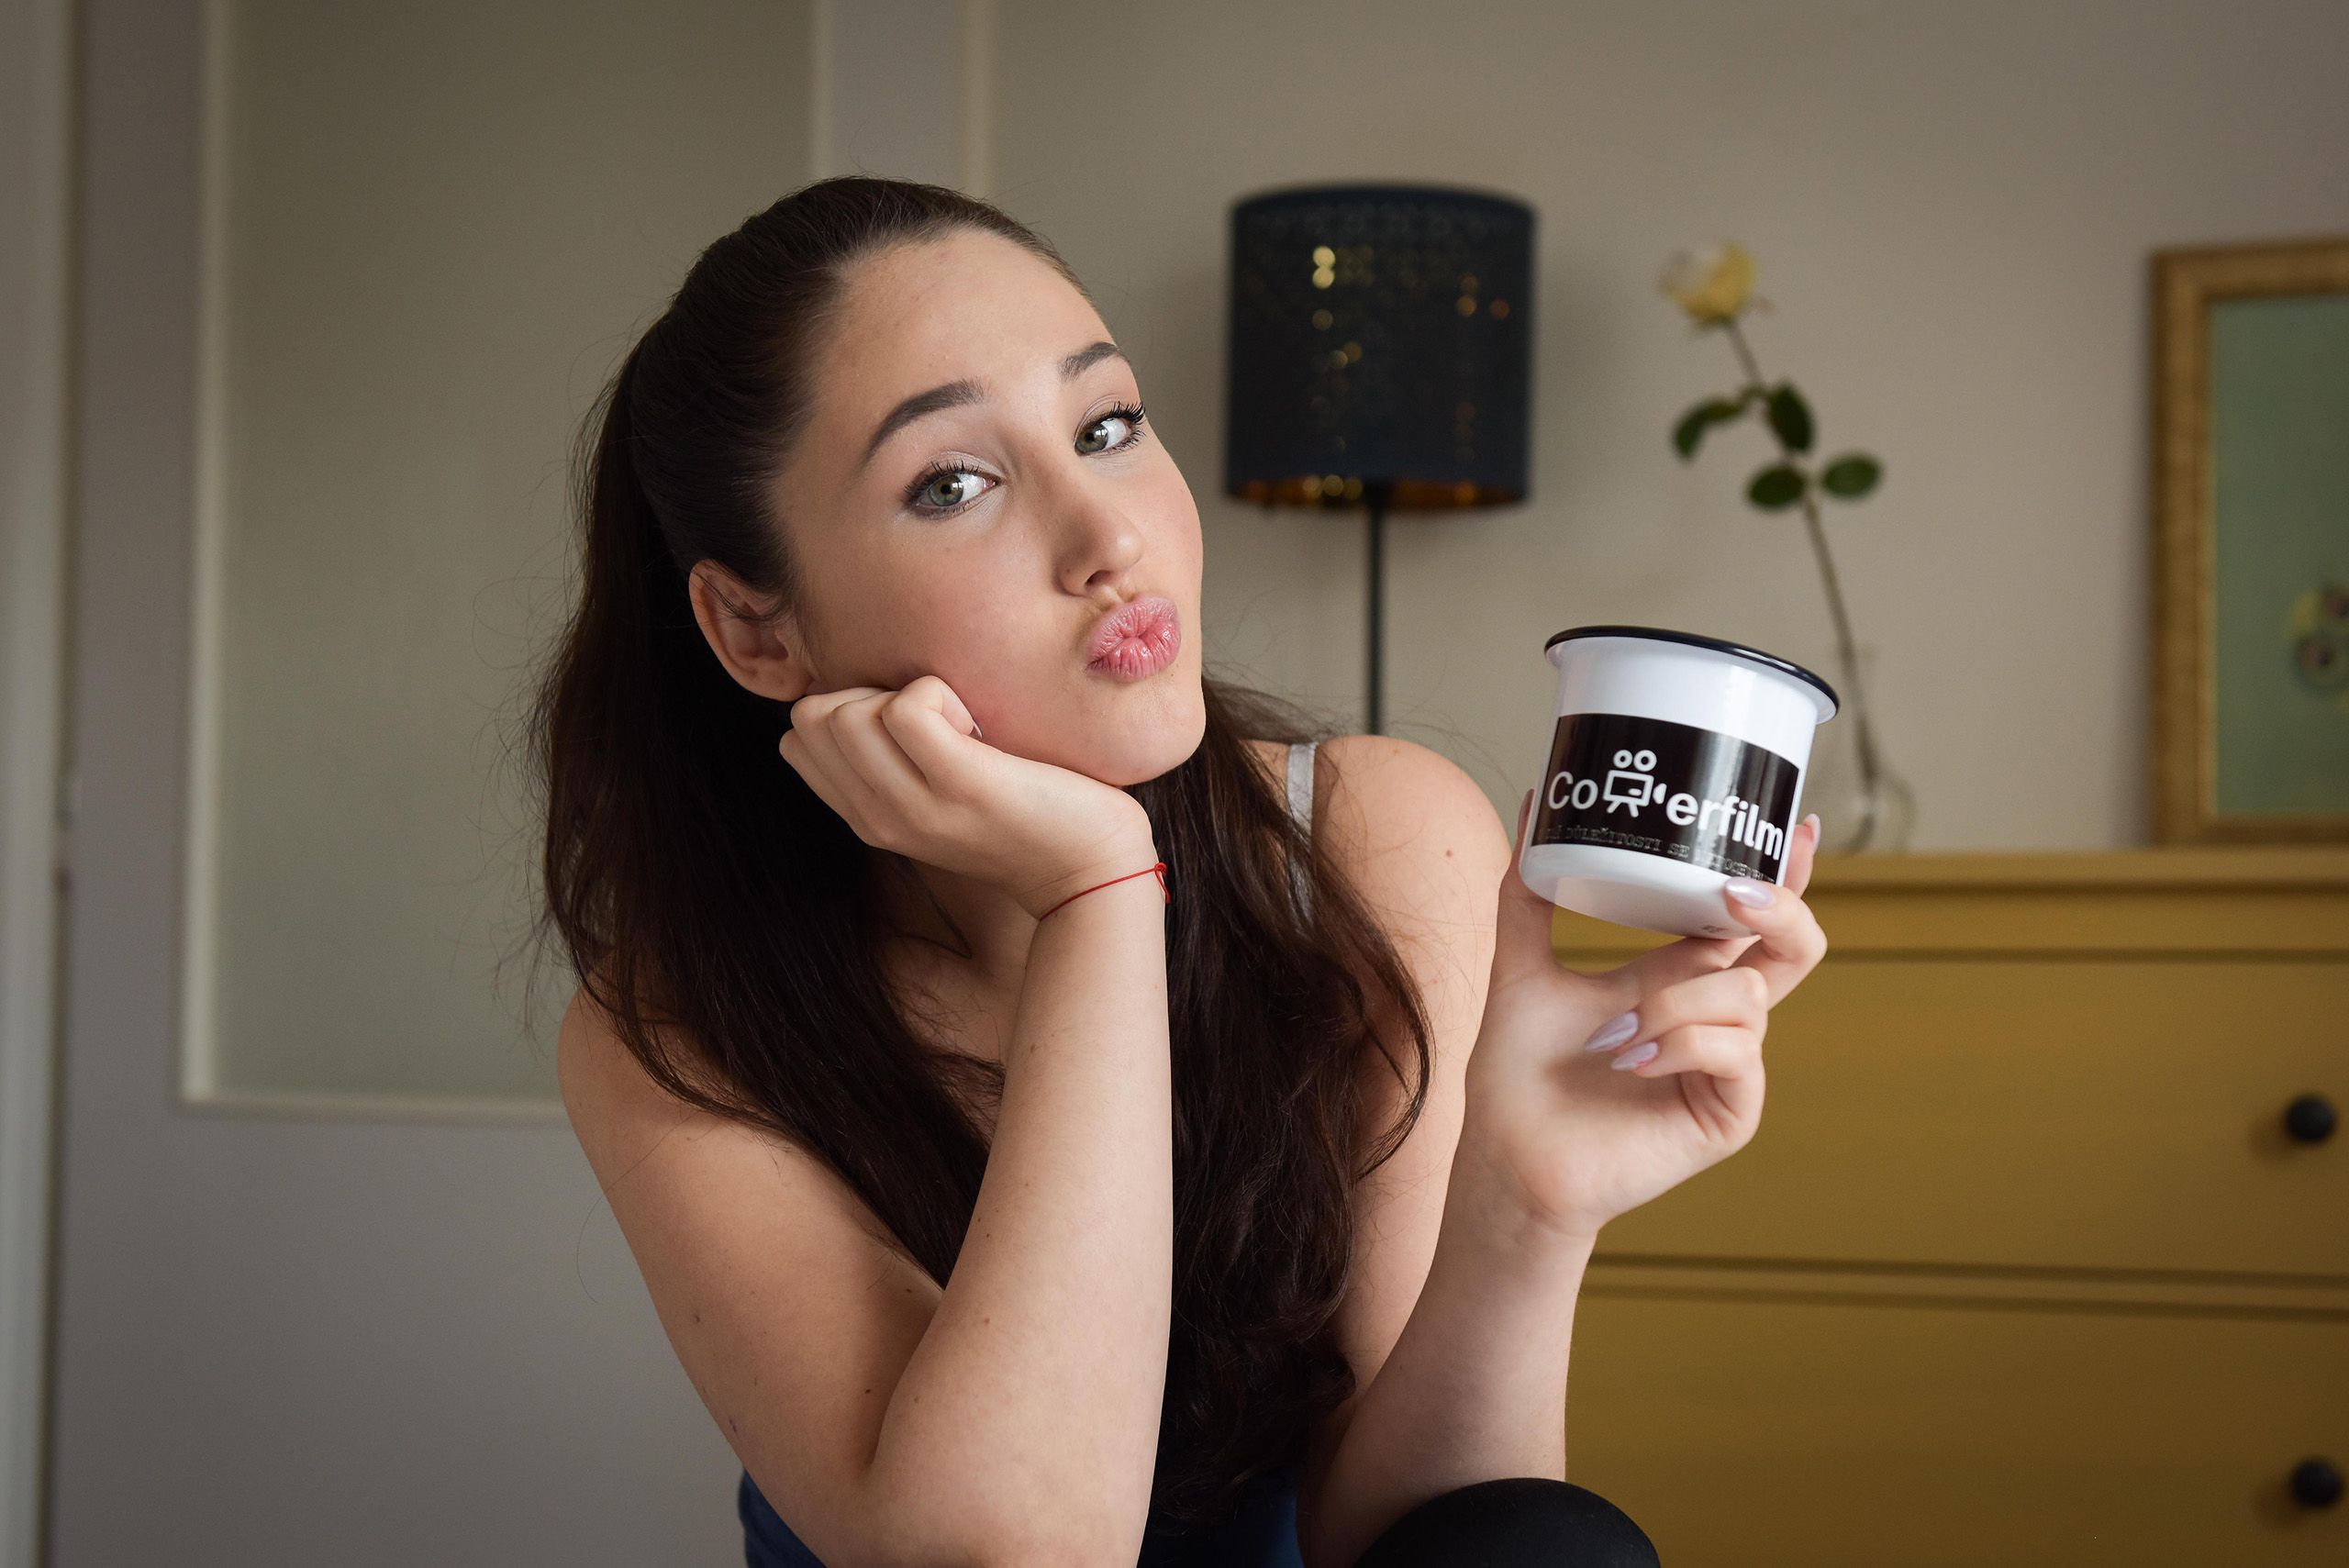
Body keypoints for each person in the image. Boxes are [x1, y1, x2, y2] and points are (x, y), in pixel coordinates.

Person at [531, 174, 1828, 1567]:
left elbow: (1416, 1539)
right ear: (755, 630)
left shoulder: (1367, 844)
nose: (1110, 539)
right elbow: (1007, 1552)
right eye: (953, 483)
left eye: (1107, 427)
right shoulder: (682, 1028)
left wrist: (1528, 1205)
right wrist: (1098, 893)